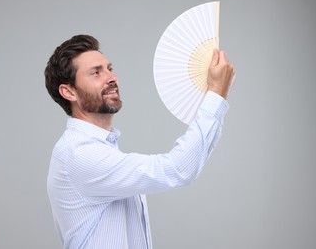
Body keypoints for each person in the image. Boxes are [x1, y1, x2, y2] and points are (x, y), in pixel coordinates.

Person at [44, 34, 234, 249]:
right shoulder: (80, 154)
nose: (111, 77)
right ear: (68, 91)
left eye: (109, 68)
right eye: (96, 72)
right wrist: (216, 93)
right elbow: (178, 169)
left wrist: (218, 98)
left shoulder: (100, 148)